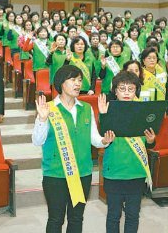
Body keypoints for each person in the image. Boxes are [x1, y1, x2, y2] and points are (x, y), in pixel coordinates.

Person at [32, 65, 115, 233]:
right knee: (56, 218)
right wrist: (42, 119)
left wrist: (104, 141)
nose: (78, 84)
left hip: (82, 172)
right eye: (73, 80)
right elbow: (37, 140)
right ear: (62, 83)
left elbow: (94, 138)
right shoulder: (49, 109)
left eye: (79, 80)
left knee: (76, 218)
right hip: (56, 174)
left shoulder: (86, 108)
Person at [98, 71, 156, 233]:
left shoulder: (143, 111)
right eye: (122, 88)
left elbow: (149, 143)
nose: (126, 92)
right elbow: (101, 136)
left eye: (130, 89)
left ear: (136, 91)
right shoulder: (107, 109)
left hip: (136, 172)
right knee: (113, 215)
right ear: (115, 91)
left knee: (132, 215)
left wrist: (151, 140)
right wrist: (103, 115)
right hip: (114, 172)